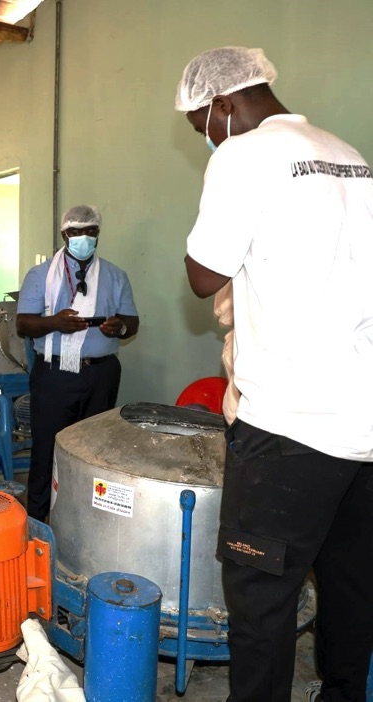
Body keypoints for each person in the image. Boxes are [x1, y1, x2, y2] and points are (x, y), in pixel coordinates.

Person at [176, 46, 373, 702]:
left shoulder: (245, 155)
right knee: (350, 593)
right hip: (363, 428)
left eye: (201, 124)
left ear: (225, 104)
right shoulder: (350, 156)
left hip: (287, 428)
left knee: (262, 606)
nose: (205, 139)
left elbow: (203, 275)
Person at [15, 205, 139, 522]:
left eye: (90, 232)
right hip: (55, 375)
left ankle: (85, 523)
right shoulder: (40, 275)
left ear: (98, 234)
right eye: (75, 232)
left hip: (101, 374)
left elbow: (132, 322)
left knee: (95, 452)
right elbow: (24, 325)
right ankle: (38, 523)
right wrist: (55, 322)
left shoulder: (115, 275)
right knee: (47, 450)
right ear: (63, 234)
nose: (83, 238)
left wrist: (119, 327)